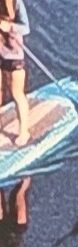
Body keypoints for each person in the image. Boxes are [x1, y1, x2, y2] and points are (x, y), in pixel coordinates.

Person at [0, 0, 31, 147]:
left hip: (14, 55)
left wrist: (10, 27)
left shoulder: (16, 3)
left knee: (17, 93)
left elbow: (26, 29)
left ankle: (24, 132)